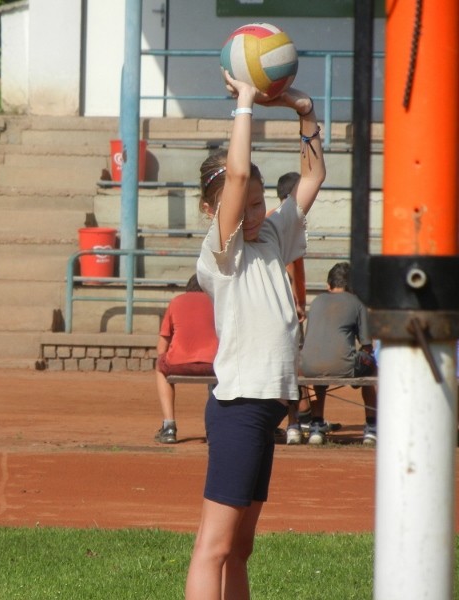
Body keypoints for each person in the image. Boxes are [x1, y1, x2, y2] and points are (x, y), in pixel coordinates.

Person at [186, 69, 325, 600]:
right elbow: (238, 174)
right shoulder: (220, 252)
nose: (252, 212)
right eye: (241, 204)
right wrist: (244, 102)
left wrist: (304, 111)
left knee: (240, 548)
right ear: (212, 210)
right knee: (214, 546)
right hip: (240, 405)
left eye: (258, 201)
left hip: (267, 407)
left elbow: (312, 176)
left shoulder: (271, 233)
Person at [299, 262, 378, 446]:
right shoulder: (357, 303)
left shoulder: (316, 301)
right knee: (373, 366)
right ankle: (371, 426)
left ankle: (316, 424)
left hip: (308, 366)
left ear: (328, 285)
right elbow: (367, 345)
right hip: (343, 365)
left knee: (321, 367)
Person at [273, 172, 314, 444]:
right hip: (285, 307)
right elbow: (292, 273)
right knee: (289, 365)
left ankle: (298, 418)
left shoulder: (272, 219)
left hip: (279, 305)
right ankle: (295, 421)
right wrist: (298, 304)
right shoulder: (286, 224)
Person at [154, 274, 218, 444]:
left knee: (160, 367)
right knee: (221, 375)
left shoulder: (176, 301)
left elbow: (161, 347)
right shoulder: (219, 302)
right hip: (214, 365)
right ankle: (215, 429)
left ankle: (168, 426)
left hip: (178, 364)